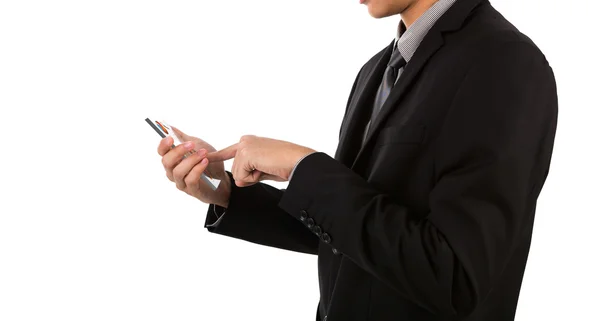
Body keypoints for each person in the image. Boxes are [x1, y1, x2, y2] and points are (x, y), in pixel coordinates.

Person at [157, 0, 558, 319]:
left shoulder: (504, 63)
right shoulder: (377, 70)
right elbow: (350, 235)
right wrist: (227, 193)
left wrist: (304, 165)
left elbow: (455, 277)